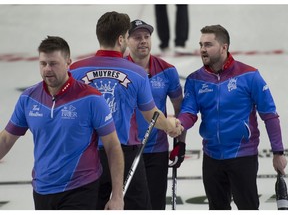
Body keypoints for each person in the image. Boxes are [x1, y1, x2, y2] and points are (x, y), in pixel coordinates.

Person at [69, 11, 183, 210]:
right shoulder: (136, 73)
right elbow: (151, 115)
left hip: (87, 155)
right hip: (125, 154)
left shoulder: (75, 70)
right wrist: (170, 125)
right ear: (121, 39)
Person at [0, 36, 125, 210]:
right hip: (42, 188)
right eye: (43, 64)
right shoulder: (29, 98)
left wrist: (117, 196)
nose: (47, 69)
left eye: (53, 63)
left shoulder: (91, 98)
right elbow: (6, 139)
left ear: (68, 63)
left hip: (81, 187)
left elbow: (113, 146)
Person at [177, 24, 287, 210]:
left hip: (242, 156)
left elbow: (269, 115)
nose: (202, 49)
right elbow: (188, 112)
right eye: (201, 44)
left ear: (224, 47)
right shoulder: (195, 80)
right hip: (211, 157)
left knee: (248, 208)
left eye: (208, 44)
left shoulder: (249, 75)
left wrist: (278, 152)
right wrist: (178, 125)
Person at [126, 19, 186, 210]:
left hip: (156, 151)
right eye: (137, 37)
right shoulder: (120, 70)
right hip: (126, 150)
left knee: (155, 206)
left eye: (146, 36)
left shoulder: (167, 71)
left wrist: (180, 143)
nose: (143, 41)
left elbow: (180, 109)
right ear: (126, 41)